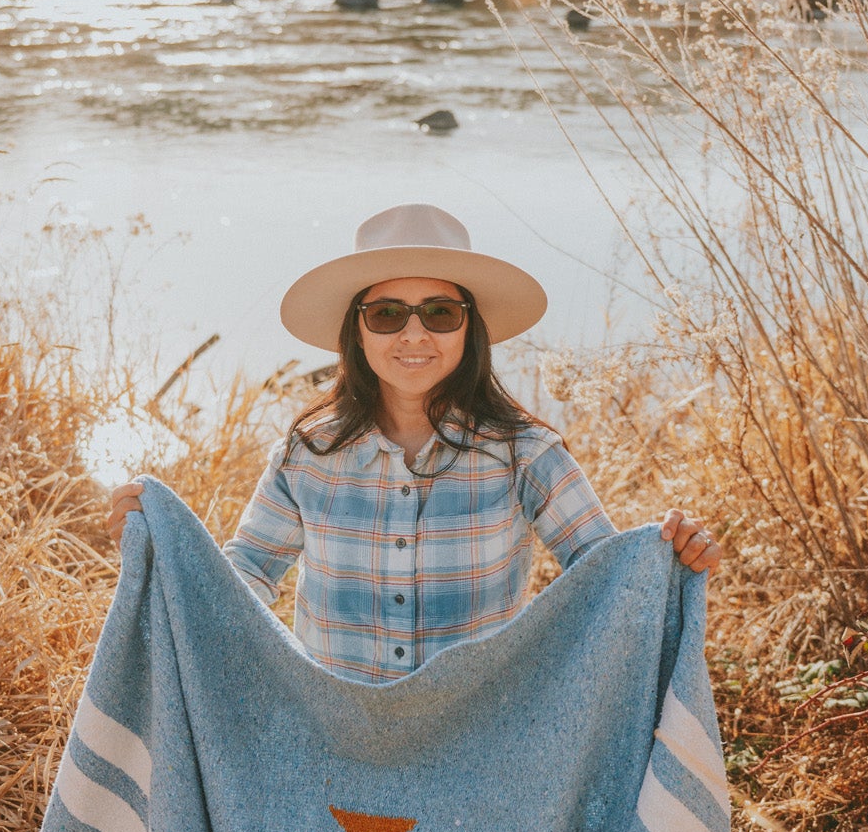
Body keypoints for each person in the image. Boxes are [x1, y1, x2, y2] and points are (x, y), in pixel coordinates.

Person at [108, 204, 721, 683]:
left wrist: (673, 562)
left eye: (439, 312)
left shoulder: (525, 453)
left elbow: (607, 580)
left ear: (469, 328)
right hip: (329, 733)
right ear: (357, 330)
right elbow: (247, 575)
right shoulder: (307, 452)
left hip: (478, 740)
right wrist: (161, 550)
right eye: (387, 315)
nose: (413, 334)